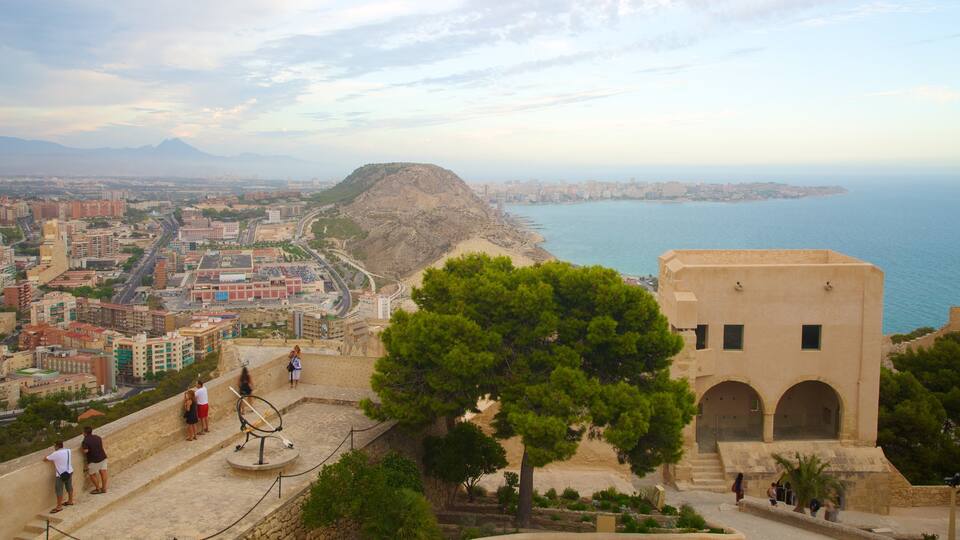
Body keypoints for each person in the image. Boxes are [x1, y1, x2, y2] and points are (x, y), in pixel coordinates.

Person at [44, 441, 75, 513]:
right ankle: (70, 501)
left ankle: (59, 506)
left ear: (57, 446)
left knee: (59, 490)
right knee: (69, 486)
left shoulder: (55, 454)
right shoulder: (68, 450)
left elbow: (45, 459)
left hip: (61, 474)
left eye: (54, 446)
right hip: (69, 471)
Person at [81, 426, 108, 494]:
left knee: (92, 474)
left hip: (93, 460)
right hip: (102, 457)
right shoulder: (97, 437)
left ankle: (98, 489)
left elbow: (86, 451)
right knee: (103, 472)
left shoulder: (85, 441)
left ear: (85, 433)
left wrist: (82, 449)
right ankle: (104, 488)